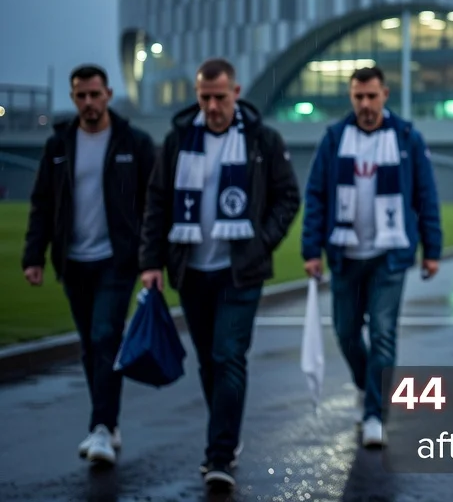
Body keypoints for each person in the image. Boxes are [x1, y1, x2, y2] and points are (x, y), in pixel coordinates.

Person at [139, 58, 301, 489]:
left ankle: (220, 455)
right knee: (210, 363)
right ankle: (225, 434)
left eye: (219, 96)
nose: (211, 105)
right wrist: (150, 262)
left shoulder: (262, 140)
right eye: (204, 97)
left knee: (229, 357)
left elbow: (288, 196)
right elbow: (157, 202)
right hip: (191, 271)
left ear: (236, 92)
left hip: (239, 272)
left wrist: (261, 241)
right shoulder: (177, 141)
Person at [22, 64, 156, 466]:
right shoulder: (59, 145)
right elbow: (43, 203)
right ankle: (108, 423)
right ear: (73, 97)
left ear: (109, 95)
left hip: (117, 259)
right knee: (89, 345)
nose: (89, 102)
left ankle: (100, 426)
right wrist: (34, 256)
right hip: (74, 260)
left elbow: (154, 205)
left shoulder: (134, 142)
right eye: (81, 95)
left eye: (95, 95)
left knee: (104, 337)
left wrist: (151, 259)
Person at [302, 66, 443, 448]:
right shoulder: (335, 138)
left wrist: (432, 249)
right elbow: (315, 195)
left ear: (385, 94)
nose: (365, 104)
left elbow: (425, 195)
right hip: (345, 254)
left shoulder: (406, 138)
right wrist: (310, 249)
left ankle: (374, 414)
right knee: (346, 333)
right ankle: (370, 387)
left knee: (382, 334)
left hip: (389, 254)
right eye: (358, 97)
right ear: (351, 98)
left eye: (371, 96)